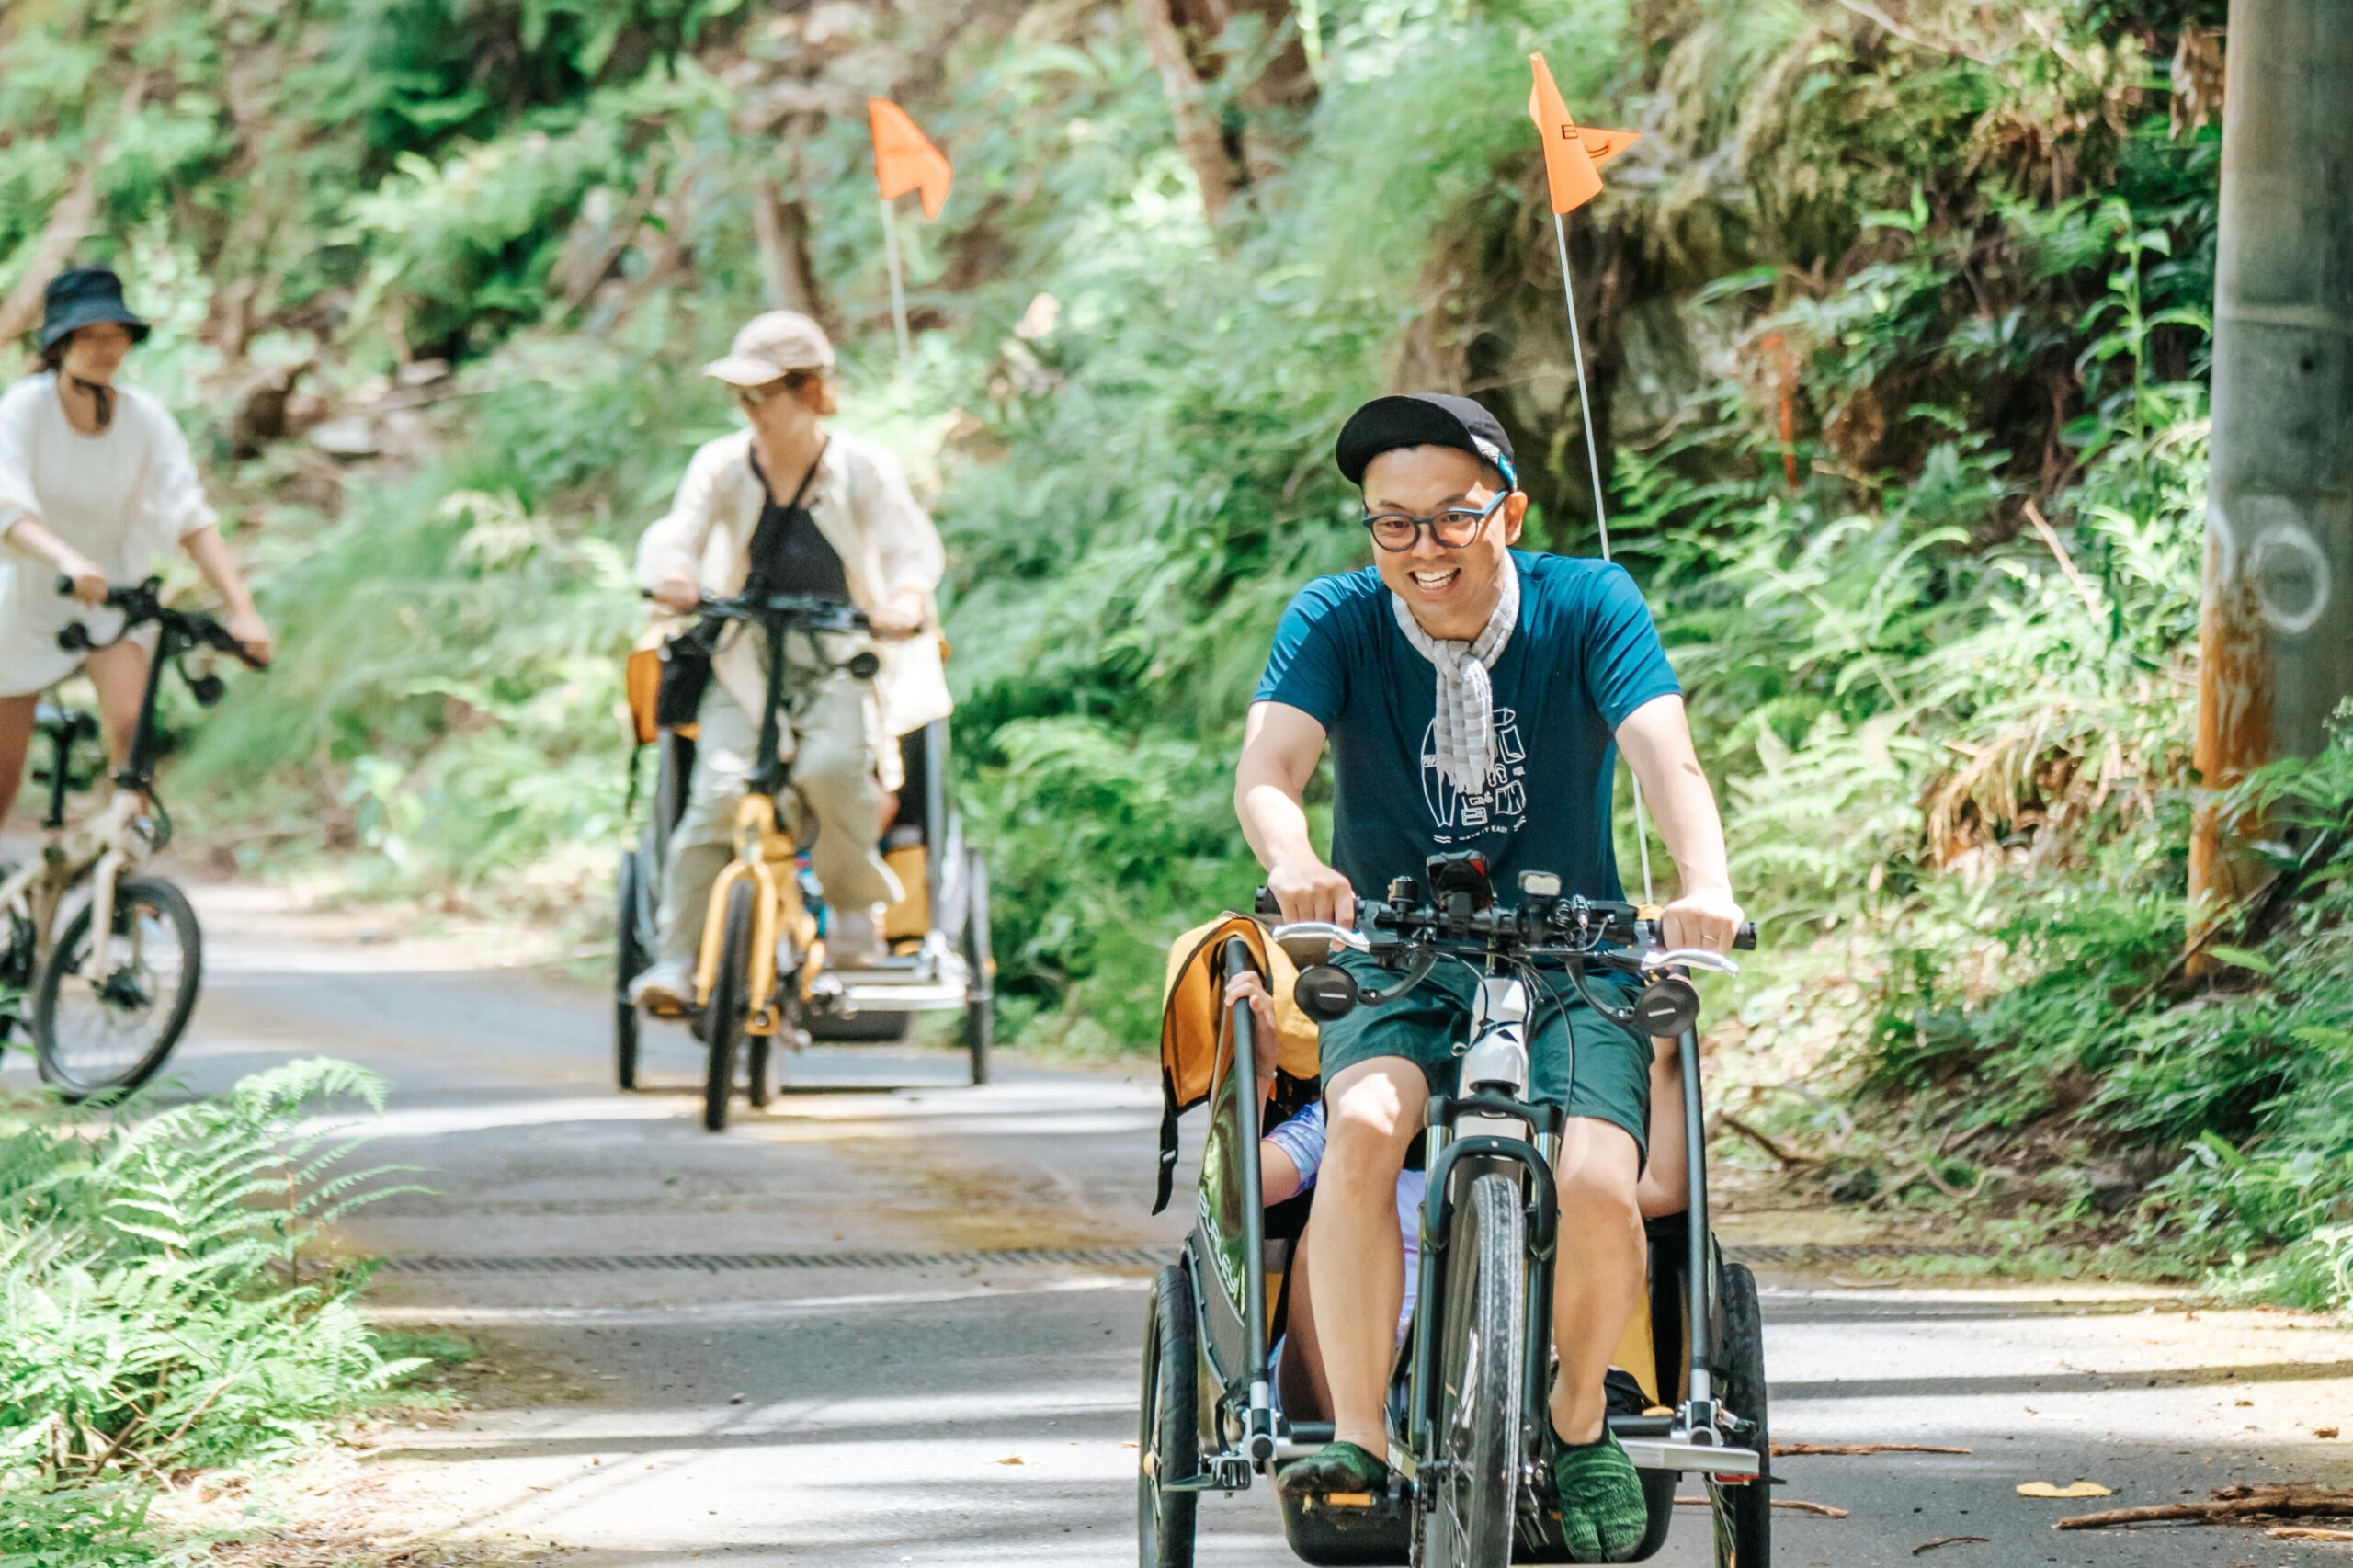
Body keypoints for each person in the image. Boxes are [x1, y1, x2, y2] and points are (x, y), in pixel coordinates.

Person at [1235, 393, 1743, 1559]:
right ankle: (1358, 1440)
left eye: (1452, 517)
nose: (1422, 548)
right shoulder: (1336, 617)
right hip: (1399, 947)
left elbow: (1663, 750)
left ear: (1506, 509)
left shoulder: (1587, 604)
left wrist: (1702, 876)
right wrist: (1297, 856)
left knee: (1603, 1180)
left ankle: (1576, 1423)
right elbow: (1271, 763)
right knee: (1362, 1126)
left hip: (1577, 947)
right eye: (1392, 523)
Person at [630, 311, 951, 1005]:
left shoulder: (862, 469)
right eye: (740, 397)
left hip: (840, 655)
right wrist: (674, 575)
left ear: (808, 392)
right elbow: (676, 533)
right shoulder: (721, 464)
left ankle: (853, 916)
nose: (747, 410)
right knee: (716, 794)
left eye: (760, 395)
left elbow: (909, 550)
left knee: (835, 770)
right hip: (744, 657)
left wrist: (905, 597)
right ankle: (677, 962)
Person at [0, 267, 273, 825]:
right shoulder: (24, 409)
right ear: (60, 344)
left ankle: (121, 888)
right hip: (25, 601)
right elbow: (7, 509)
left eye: (115, 335)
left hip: (114, 603)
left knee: (132, 736)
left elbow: (190, 515)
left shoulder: (145, 419)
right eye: (91, 336)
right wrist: (67, 559)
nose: (107, 349)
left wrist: (243, 612)